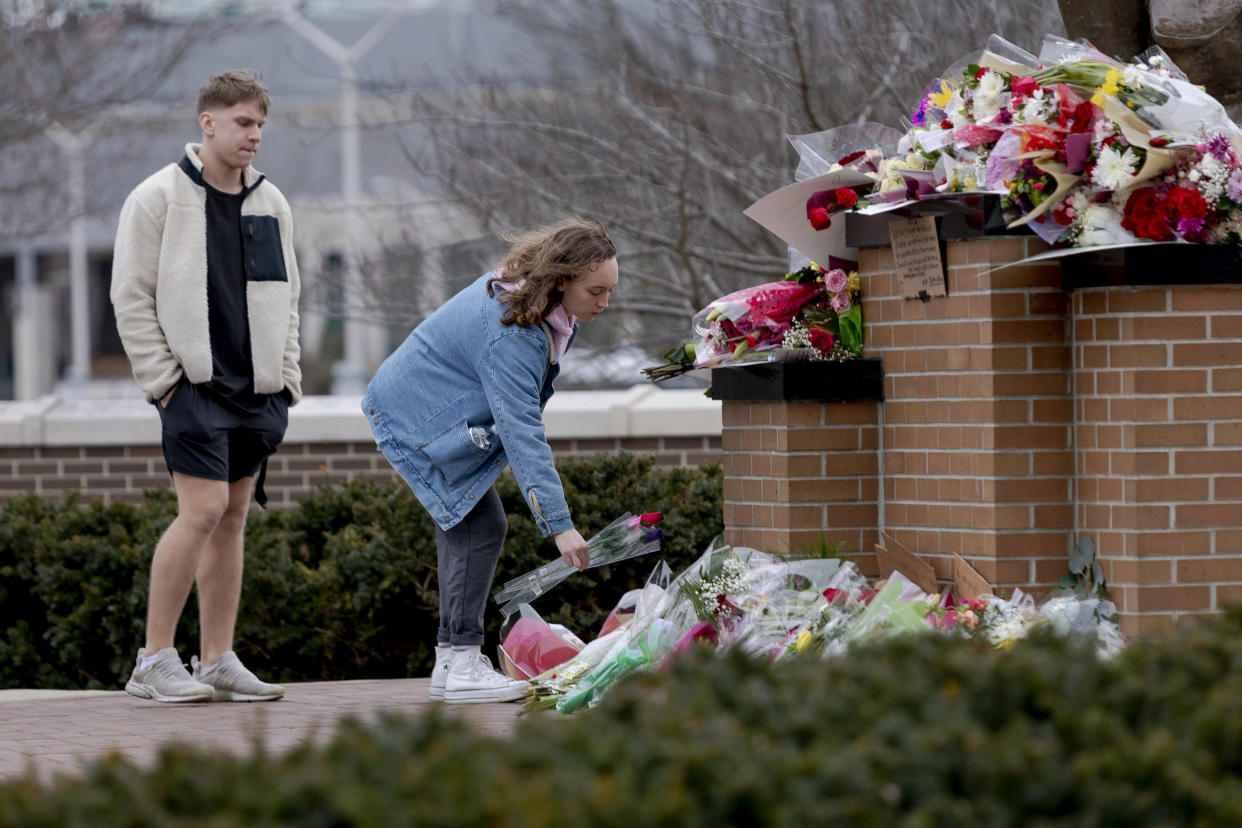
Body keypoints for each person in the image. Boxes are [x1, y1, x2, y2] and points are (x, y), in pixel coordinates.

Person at [362, 218, 618, 704]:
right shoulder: (515, 332)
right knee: (478, 526)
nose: (604, 303)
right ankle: (459, 663)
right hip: (416, 418)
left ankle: (451, 661)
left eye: (609, 290)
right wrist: (560, 525)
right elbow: (523, 432)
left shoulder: (537, 305)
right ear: (561, 279)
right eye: (596, 290)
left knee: (473, 524)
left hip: (419, 407)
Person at [110, 70, 300, 703]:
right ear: (208, 122)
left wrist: (286, 385)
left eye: (261, 126)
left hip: (257, 393)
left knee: (233, 517)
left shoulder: (272, 202)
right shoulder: (157, 197)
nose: (254, 136)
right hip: (192, 390)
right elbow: (130, 296)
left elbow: (288, 299)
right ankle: (152, 660)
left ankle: (216, 659)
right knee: (201, 512)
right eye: (244, 122)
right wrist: (164, 383)